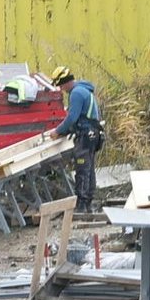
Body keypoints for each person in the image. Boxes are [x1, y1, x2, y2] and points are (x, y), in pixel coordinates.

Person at [62, 74, 105, 214]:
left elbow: (72, 117)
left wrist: (58, 131)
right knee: (89, 168)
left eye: (61, 86)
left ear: (66, 83)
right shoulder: (84, 90)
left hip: (85, 136)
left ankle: (81, 205)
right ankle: (88, 202)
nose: (62, 89)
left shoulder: (76, 93)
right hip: (93, 135)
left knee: (82, 169)